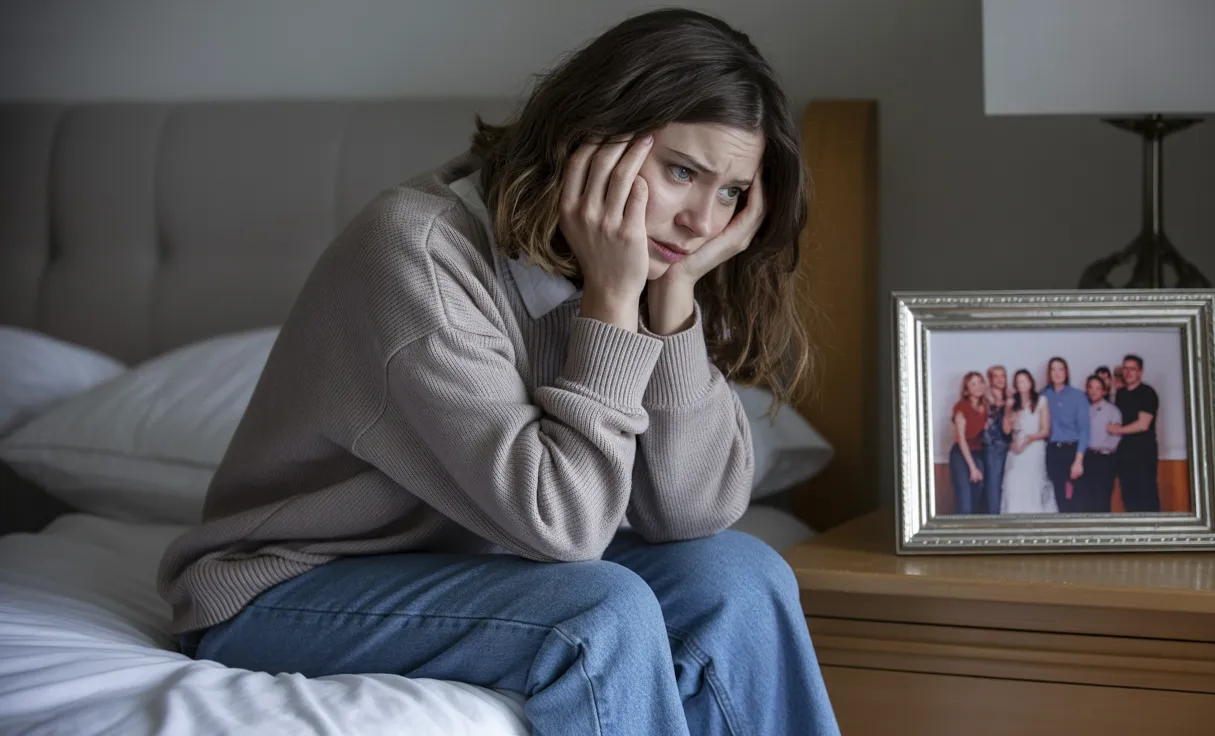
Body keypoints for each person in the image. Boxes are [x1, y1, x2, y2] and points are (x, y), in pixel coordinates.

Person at [154, 9, 841, 735]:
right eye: (682, 172)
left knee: (742, 575)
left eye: (730, 193)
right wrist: (611, 304)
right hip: (283, 585)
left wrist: (672, 304)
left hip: (482, 564)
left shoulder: (647, 259)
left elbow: (692, 514)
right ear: (593, 137)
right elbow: (564, 528)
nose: (704, 221)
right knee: (600, 611)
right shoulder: (416, 255)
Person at [999, 369, 1058, 514]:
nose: (1022, 384)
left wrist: (1029, 439)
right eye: (1019, 381)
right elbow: (1006, 430)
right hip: (1016, 451)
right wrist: (1007, 408)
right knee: (1012, 485)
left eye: (1024, 380)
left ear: (1031, 382)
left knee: (1032, 486)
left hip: (1034, 448)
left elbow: (1045, 430)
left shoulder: (1041, 401)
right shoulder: (1014, 404)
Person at [1109, 354, 1161, 512]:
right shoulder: (1120, 394)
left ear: (1140, 372)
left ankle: (1153, 535)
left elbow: (1143, 424)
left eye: (1132, 369)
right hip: (1124, 454)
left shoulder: (1147, 392)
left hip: (1143, 454)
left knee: (1145, 496)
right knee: (1128, 497)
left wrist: (1119, 430)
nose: (1128, 372)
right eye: (1125, 368)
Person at [1039, 356, 1090, 513]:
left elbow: (1084, 430)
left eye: (1060, 369)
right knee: (1057, 497)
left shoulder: (1078, 396)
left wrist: (1078, 460)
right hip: (1053, 450)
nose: (1057, 373)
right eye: (1053, 369)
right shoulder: (1043, 395)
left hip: (1072, 450)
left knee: (1077, 498)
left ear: (1066, 372)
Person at [949, 371, 990, 514]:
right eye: (973, 384)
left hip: (978, 453)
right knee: (965, 500)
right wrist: (972, 468)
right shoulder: (961, 407)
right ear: (966, 391)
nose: (978, 386)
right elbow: (961, 439)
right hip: (961, 454)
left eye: (980, 382)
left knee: (976, 498)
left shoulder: (985, 406)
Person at [1082, 374, 1122, 513]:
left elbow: (1116, 437)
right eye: (1090, 387)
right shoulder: (1084, 409)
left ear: (1104, 391)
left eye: (1098, 388)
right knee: (1086, 500)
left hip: (1105, 460)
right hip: (1087, 458)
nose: (1093, 391)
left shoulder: (1112, 411)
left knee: (1102, 501)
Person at [980, 365, 1012, 514]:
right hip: (993, 447)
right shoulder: (985, 399)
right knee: (993, 483)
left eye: (1003, 376)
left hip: (1010, 447)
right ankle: (994, 518)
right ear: (990, 379)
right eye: (996, 376)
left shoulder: (1010, 397)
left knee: (1007, 483)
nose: (1000, 380)